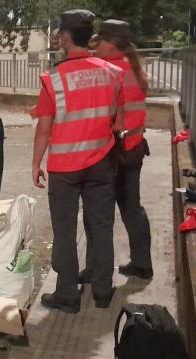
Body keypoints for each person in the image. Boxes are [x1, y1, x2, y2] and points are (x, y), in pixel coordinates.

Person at [31, 9, 125, 313]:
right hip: (101, 161)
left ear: (65, 36)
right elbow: (116, 120)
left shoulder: (54, 78)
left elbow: (44, 128)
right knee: (101, 226)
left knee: (65, 231)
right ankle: (101, 291)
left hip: (65, 168)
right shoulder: (112, 73)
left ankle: (68, 296)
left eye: (59, 32)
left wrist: (36, 163)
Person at [79, 20, 153, 283]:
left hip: (112, 152)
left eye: (101, 41)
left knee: (97, 214)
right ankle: (143, 264)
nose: (96, 45)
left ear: (113, 44)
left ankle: (95, 270)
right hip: (134, 149)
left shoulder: (109, 72)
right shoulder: (133, 68)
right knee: (132, 208)